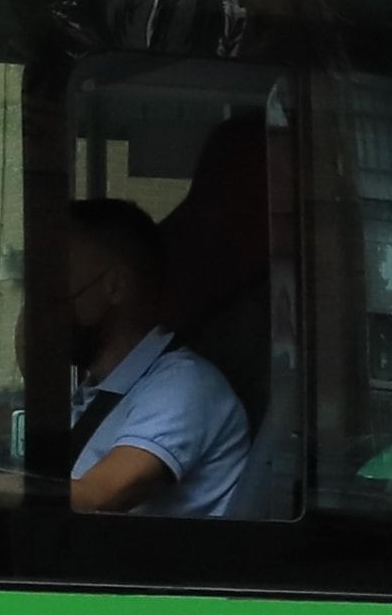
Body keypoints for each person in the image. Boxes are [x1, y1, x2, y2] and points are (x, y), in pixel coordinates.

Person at [58, 197, 250, 517]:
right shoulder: (101, 390)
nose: (46, 308)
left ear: (115, 287)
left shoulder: (183, 386)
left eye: (59, 285)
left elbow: (98, 498)